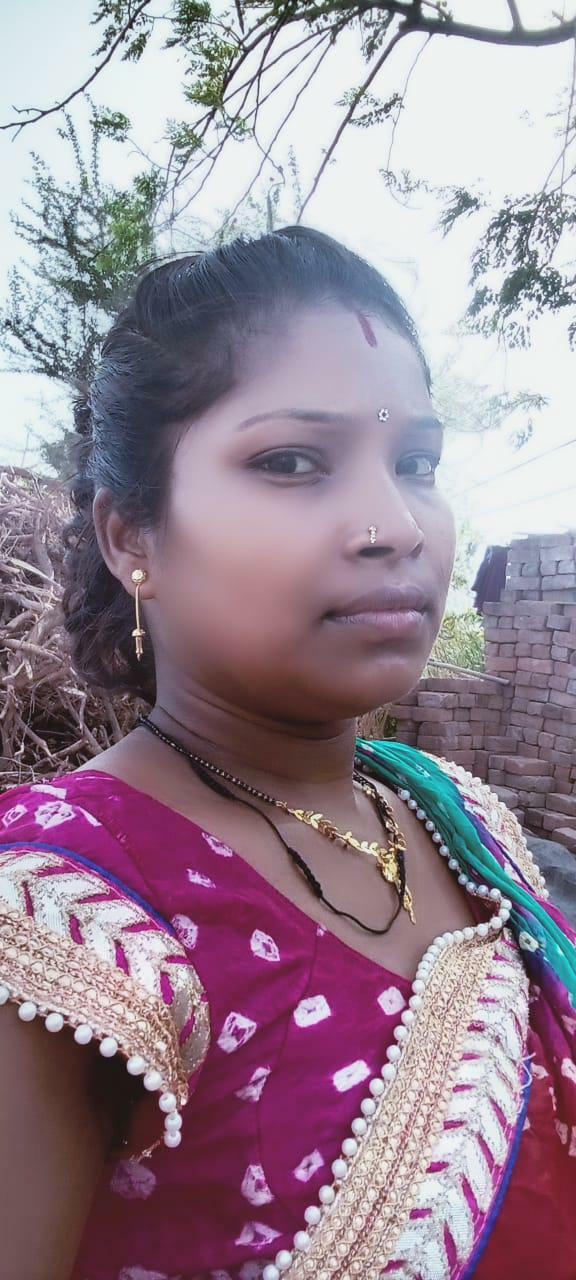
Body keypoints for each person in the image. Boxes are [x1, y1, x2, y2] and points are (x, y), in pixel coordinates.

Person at [0, 226, 574, 1280]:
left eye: (417, 464)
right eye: (291, 462)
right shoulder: (60, 905)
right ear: (131, 537)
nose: (396, 524)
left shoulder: (465, 817)